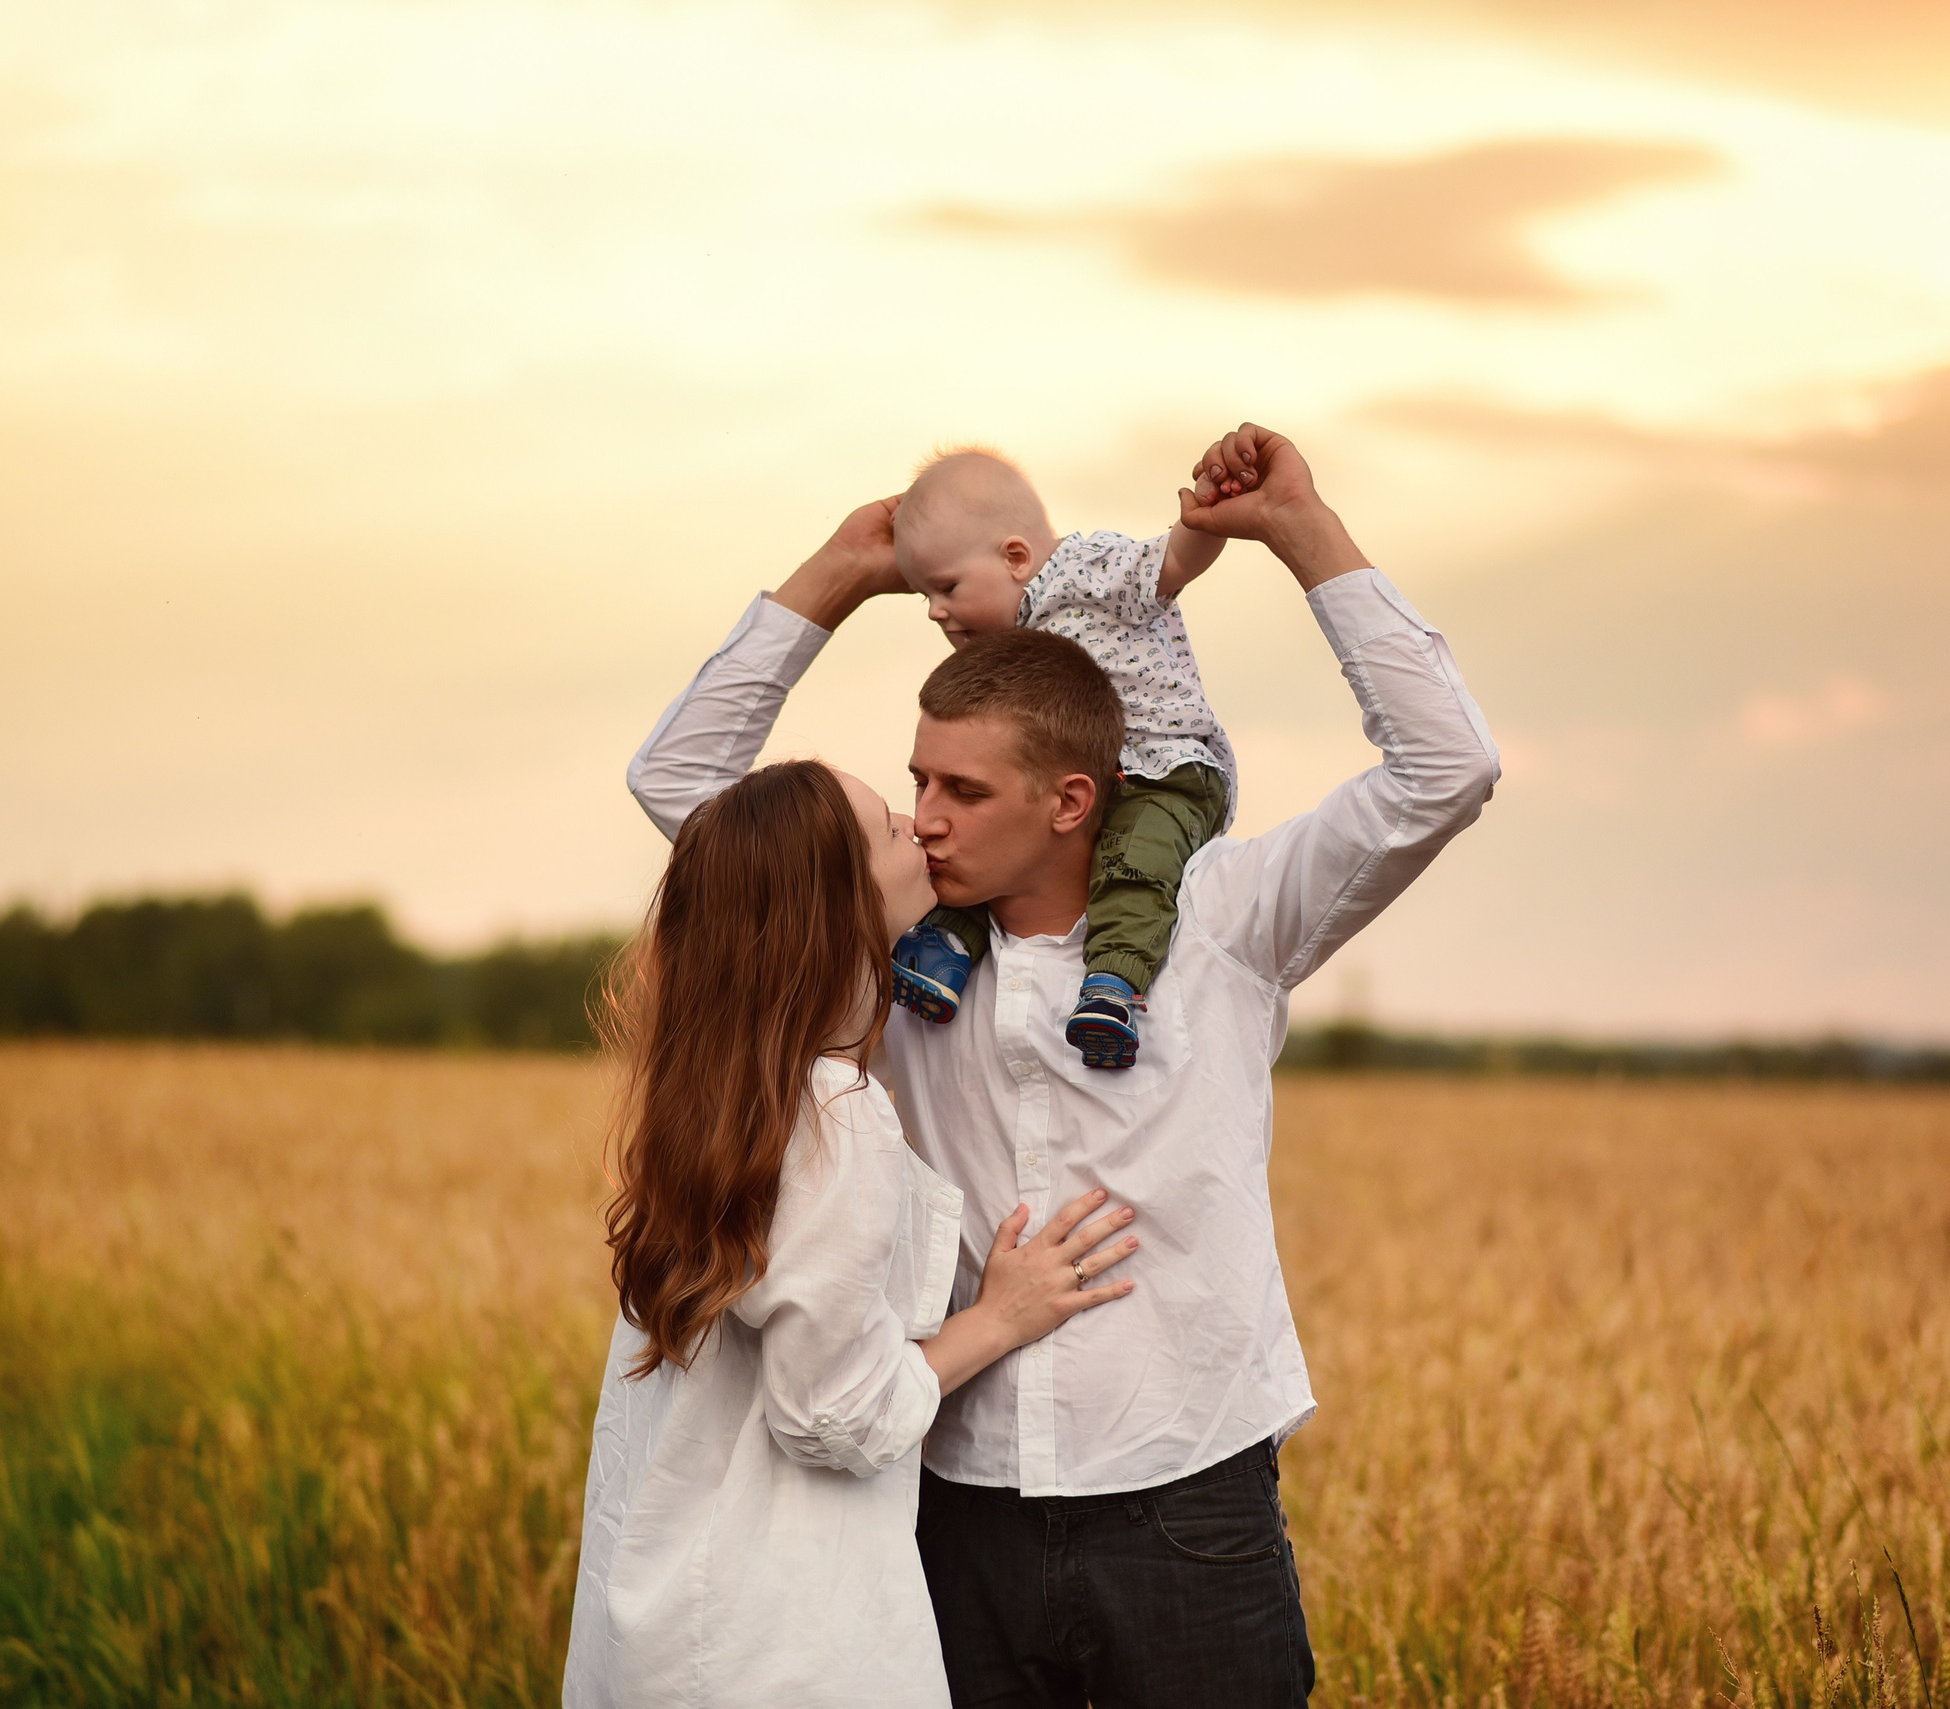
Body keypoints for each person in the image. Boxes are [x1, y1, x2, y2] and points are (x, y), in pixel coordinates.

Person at [626, 424, 1501, 1708]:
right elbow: (683, 787)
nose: (923, 817)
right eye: (917, 781)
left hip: (1188, 1502)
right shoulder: (896, 943)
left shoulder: (1227, 915)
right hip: (947, 1504)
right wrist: (837, 575)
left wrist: (1301, 531)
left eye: (964, 792)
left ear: (1072, 800)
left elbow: (1447, 768)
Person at [561, 758, 1141, 1709]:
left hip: (668, 1628)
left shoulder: (712, 1096)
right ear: (836, 902)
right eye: (888, 828)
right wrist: (998, 1318)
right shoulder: (836, 1111)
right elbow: (831, 1413)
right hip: (784, 1648)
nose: (921, 827)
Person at [885, 446, 1238, 1071]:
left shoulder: (1084, 568)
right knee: (986, 850)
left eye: (947, 587)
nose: (936, 610)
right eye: (924, 595)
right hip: (1098, 777)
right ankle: (945, 949)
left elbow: (1173, 561)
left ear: (1016, 557)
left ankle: (1113, 983)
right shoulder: (1012, 643)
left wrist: (1208, 515)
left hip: (1164, 769)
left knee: (1134, 866)